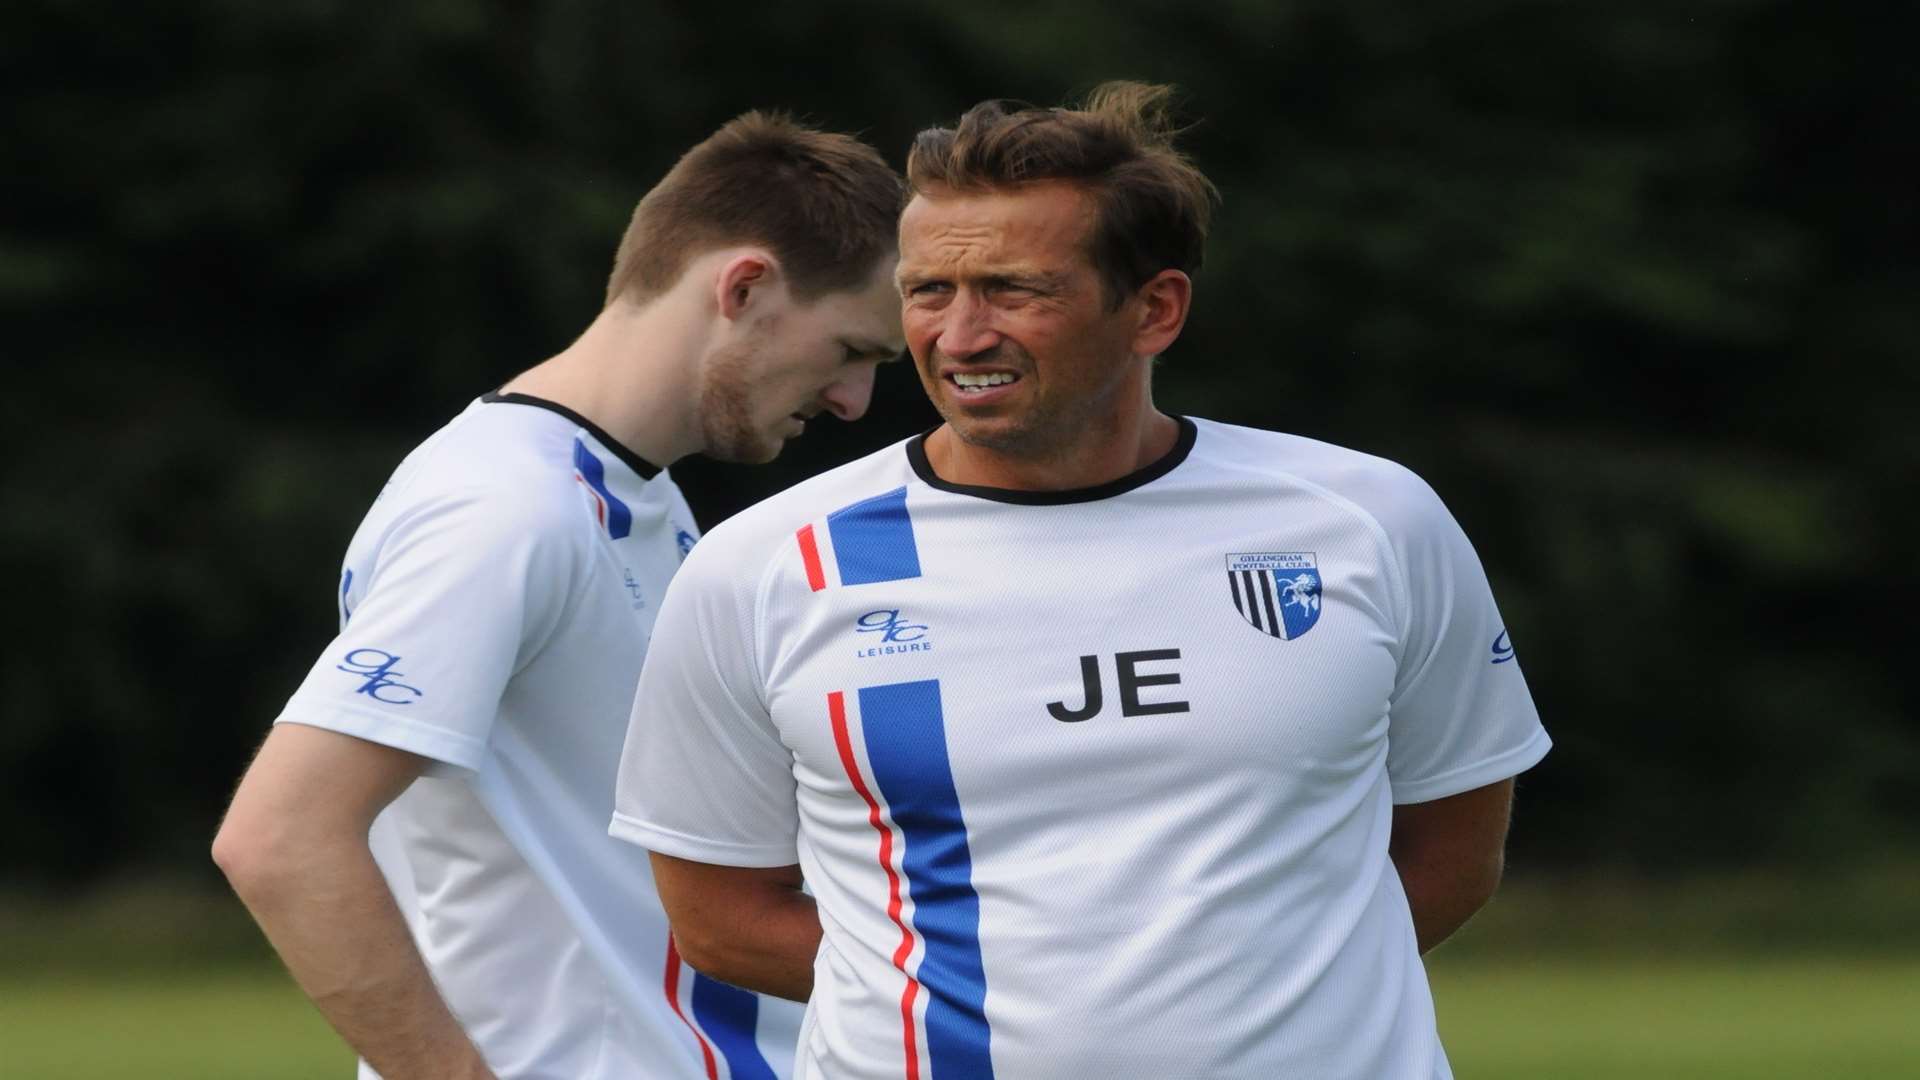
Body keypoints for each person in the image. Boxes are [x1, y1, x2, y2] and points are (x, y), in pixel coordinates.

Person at [610, 82, 1550, 1079]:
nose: (960, 336)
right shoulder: (764, 567)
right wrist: (1009, 1006)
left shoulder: (1369, 520)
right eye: (929, 292)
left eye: (1015, 290)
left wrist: (1266, 1003)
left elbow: (1454, 849)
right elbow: (718, 917)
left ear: (1156, 308)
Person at [212, 112, 906, 1080]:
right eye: (851, 352)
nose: (853, 404)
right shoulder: (508, 509)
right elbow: (283, 839)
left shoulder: (635, 498)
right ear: (744, 287)